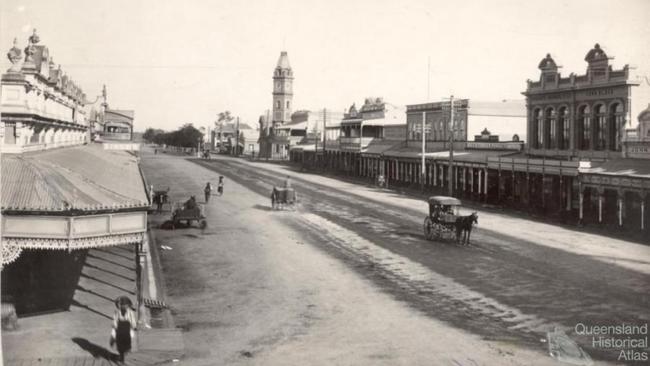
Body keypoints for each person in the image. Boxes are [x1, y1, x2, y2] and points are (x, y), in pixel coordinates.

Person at [110, 296, 137, 363]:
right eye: (122, 305)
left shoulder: (130, 312)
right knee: (119, 344)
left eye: (125, 305)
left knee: (126, 344)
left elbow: (132, 320)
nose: (124, 307)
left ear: (128, 306)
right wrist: (115, 326)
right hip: (119, 329)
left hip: (127, 329)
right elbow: (115, 319)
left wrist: (134, 326)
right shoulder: (117, 312)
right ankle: (121, 356)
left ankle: (124, 354)